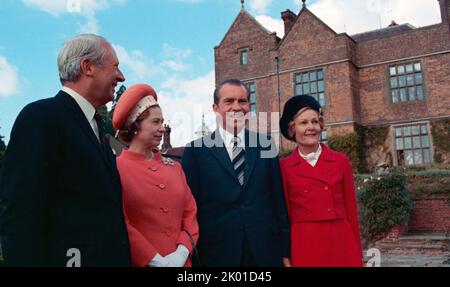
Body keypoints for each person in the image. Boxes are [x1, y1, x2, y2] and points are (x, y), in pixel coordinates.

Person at [0, 34, 131, 266]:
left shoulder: (97, 127)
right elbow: (21, 216)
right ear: (88, 67)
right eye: (116, 67)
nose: (121, 76)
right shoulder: (41, 117)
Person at [181, 79, 290, 267]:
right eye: (229, 101)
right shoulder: (195, 152)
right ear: (215, 107)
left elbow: (278, 202)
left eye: (242, 101)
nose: (236, 107)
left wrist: (285, 251)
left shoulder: (265, 144)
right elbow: (189, 210)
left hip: (264, 251)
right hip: (216, 254)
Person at [112, 83, 199, 267]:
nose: (162, 128)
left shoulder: (175, 168)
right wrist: (155, 260)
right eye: (155, 122)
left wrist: (182, 253)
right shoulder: (116, 169)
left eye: (162, 122)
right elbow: (120, 221)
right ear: (135, 126)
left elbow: (190, 214)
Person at [279, 95, 363, 267]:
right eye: (303, 123)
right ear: (292, 129)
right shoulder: (283, 167)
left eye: (315, 122)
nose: (311, 127)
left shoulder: (340, 161)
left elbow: (351, 211)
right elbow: (283, 217)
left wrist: (357, 252)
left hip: (340, 241)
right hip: (304, 244)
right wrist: (285, 254)